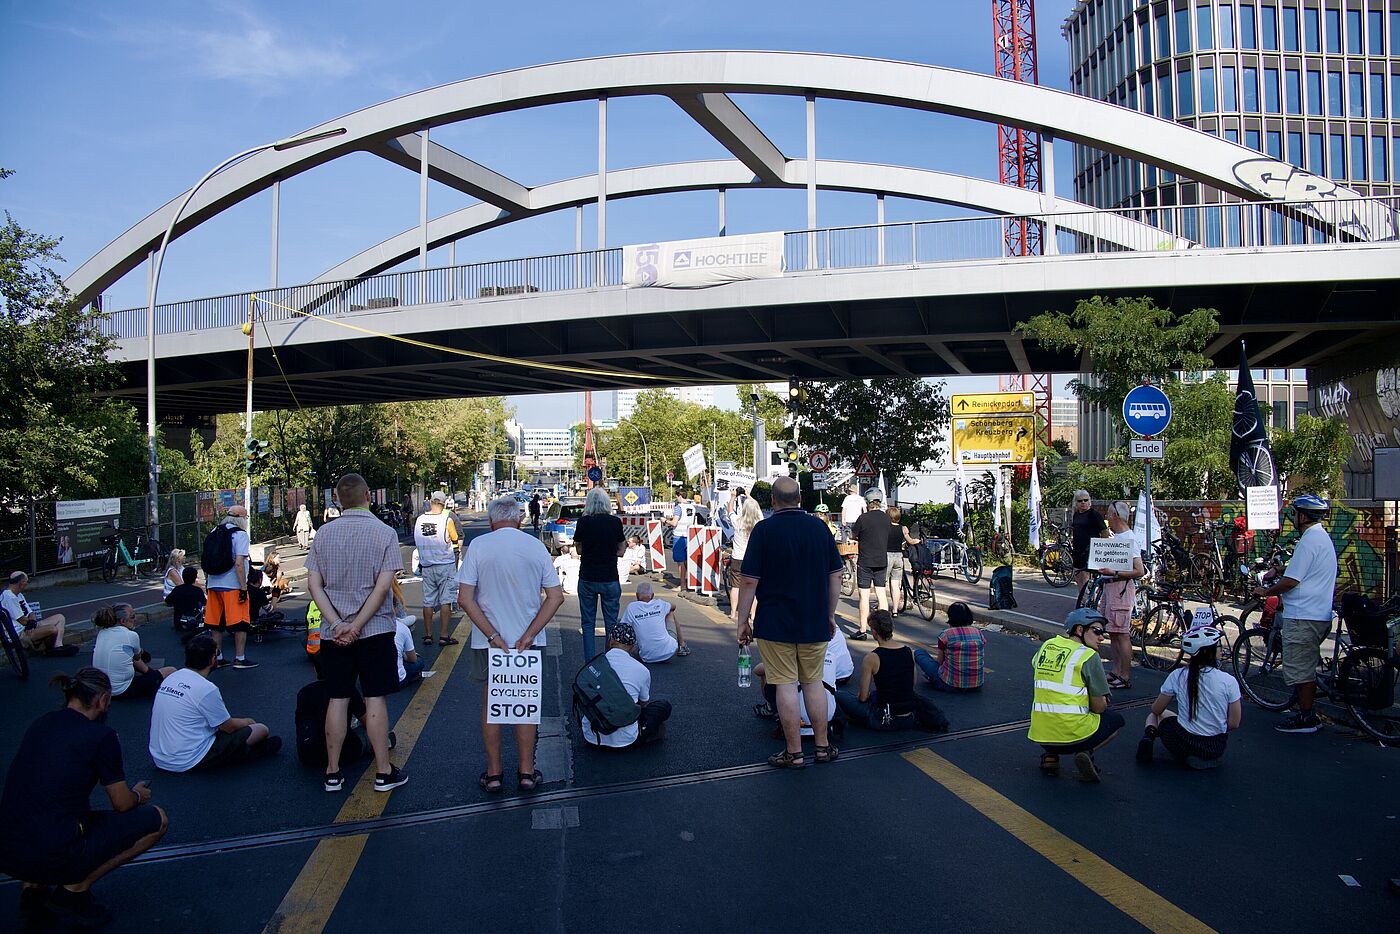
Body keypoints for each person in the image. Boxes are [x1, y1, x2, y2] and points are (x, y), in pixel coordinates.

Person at [0, 668, 167, 928]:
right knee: (157, 820)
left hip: (8, 847)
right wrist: (138, 794)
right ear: (102, 700)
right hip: (53, 846)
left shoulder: (41, 723)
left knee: (39, 805)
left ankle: (31, 891)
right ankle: (74, 891)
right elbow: (121, 803)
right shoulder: (101, 736)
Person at [306, 473, 408, 794]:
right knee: (375, 697)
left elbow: (314, 585)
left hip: (333, 635)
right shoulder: (385, 533)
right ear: (368, 495)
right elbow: (383, 587)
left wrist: (337, 624)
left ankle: (332, 772)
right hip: (375, 630)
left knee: (337, 698)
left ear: (337, 499)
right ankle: (383, 771)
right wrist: (359, 624)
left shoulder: (323, 534)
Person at [458, 495, 565, 793]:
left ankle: (494, 774)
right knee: (524, 703)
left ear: (492, 521)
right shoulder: (534, 546)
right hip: (526, 644)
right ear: (519, 519)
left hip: (488, 643)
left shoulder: (479, 546)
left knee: (492, 703)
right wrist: (530, 634)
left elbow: (465, 598)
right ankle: (526, 772)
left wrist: (493, 635)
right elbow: (555, 597)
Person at [737, 476, 844, 768]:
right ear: (800, 498)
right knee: (813, 682)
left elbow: (748, 581)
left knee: (784, 684)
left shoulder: (764, 530)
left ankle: (794, 752)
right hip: (814, 621)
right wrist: (830, 613)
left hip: (774, 623)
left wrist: (742, 620)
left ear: (773, 500)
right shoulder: (819, 528)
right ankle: (822, 747)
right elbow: (836, 575)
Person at [1252, 493, 1339, 734]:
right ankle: (1304, 711)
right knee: (1304, 665)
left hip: (1303, 615)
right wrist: (1280, 568)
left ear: (1303, 516)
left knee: (1302, 670)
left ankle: (1307, 718)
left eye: (1295, 515)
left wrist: (1266, 591)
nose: (1293, 519)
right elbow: (1302, 570)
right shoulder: (1321, 538)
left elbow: (1291, 582)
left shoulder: (1309, 541)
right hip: (1317, 612)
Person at [148, 634, 280, 772]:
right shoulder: (206, 688)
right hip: (187, 760)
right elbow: (228, 727)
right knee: (261, 730)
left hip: (160, 758)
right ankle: (237, 755)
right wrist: (248, 721)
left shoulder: (172, 678)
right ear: (212, 660)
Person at [1028, 608, 1125, 782]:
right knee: (1115, 720)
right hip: (1074, 737)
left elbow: (1039, 668)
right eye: (1097, 631)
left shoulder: (1047, 645)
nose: (1102, 637)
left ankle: (1050, 756)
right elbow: (1099, 707)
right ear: (1080, 630)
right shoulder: (1088, 656)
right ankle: (1085, 752)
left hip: (1040, 733)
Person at [1136, 626, 1241, 768]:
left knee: (1155, 715)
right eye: (1218, 646)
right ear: (1206, 651)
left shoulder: (1178, 675)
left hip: (1182, 742)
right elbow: (1234, 723)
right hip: (1215, 747)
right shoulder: (1229, 681)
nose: (1222, 649)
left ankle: (1148, 736)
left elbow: (1156, 709)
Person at [835, 610, 950, 732]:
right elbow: (912, 683)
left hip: (884, 717)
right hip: (909, 716)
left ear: (874, 632)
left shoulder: (872, 658)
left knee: (838, 695)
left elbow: (862, 698)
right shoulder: (908, 651)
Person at [579, 621, 673, 750]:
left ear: (610, 640)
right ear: (633, 645)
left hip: (591, 736)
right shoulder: (642, 670)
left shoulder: (595, 665)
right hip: (626, 740)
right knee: (663, 706)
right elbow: (643, 704)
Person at [753, 623, 852, 723]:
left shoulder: (796, 639)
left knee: (781, 678)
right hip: (841, 674)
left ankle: (774, 708)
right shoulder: (828, 627)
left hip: (811, 680)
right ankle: (821, 735)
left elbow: (758, 670)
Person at [1095, 501, 1146, 690]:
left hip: (1120, 588)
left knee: (1122, 633)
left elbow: (1139, 570)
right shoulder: (1118, 537)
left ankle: (1124, 675)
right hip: (1111, 587)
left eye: (1109, 513)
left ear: (1116, 515)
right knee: (1114, 633)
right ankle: (1116, 671)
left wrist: (1115, 573)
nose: (1107, 517)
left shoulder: (1128, 539)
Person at [573, 488, 625, 660]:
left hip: (587, 577)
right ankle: (610, 662)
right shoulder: (615, 522)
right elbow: (622, 550)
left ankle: (590, 664)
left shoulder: (583, 522)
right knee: (611, 623)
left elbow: (579, 548)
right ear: (607, 503)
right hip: (609, 577)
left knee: (588, 624)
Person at [204, 505, 256, 669]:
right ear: (241, 518)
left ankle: (217, 658)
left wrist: (208, 582)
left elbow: (206, 558)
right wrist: (243, 587)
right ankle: (240, 658)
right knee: (240, 623)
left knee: (216, 624)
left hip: (214, 583)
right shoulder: (240, 535)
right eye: (246, 518)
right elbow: (239, 563)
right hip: (232, 585)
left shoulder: (214, 532)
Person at [91, 604, 175, 701]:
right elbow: (137, 657)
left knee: (128, 655)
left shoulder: (102, 633)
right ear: (123, 621)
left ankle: (151, 674)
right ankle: (157, 682)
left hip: (103, 688)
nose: (135, 619)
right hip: (121, 690)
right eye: (133, 616)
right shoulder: (130, 635)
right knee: (171, 670)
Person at [415, 491, 462, 648]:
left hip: (427, 566)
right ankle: (443, 635)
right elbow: (454, 537)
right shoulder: (446, 520)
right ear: (443, 504)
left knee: (428, 601)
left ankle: (427, 635)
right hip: (445, 565)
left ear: (430, 503)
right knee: (446, 600)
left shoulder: (420, 520)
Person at [913, 601, 985, 692]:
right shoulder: (978, 632)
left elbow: (939, 661)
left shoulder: (945, 635)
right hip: (977, 684)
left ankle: (933, 678)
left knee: (919, 653)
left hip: (950, 685)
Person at [850, 488, 892, 639]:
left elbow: (853, 535)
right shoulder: (887, 518)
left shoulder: (863, 518)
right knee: (881, 594)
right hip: (882, 560)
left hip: (866, 561)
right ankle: (885, 629)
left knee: (864, 596)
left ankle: (862, 630)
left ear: (867, 502)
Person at [1, 571, 76, 656]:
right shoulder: (9, 597)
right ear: (21, 583)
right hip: (19, 633)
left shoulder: (19, 594)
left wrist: (32, 623)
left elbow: (31, 613)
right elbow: (22, 620)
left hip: (27, 626)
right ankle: (48, 650)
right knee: (52, 629)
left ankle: (58, 646)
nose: (27, 584)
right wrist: (30, 624)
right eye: (26, 581)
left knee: (60, 618)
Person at [621, 581, 690, 663]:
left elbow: (623, 627)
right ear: (653, 595)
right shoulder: (660, 603)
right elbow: (673, 606)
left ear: (637, 595)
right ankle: (682, 645)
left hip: (646, 656)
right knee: (670, 612)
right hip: (669, 651)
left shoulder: (631, 607)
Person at [728, 496, 763, 621]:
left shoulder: (737, 521)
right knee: (753, 588)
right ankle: (752, 615)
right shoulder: (758, 522)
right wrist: (749, 495)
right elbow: (757, 507)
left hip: (737, 558)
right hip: (753, 559)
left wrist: (733, 496)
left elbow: (730, 510)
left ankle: (733, 613)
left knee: (735, 587)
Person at [885, 505, 921, 613]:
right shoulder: (903, 528)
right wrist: (917, 541)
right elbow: (910, 541)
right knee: (895, 584)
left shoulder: (885, 528)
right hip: (898, 557)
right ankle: (895, 610)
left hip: (886, 556)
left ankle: (881, 607)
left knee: (882, 584)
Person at [1070, 490, 1108, 590]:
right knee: (1078, 577)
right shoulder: (1076, 515)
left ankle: (1089, 601)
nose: (1083, 503)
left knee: (1086, 578)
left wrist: (1102, 547)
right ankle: (1082, 600)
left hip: (1090, 551)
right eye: (1080, 501)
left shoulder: (1094, 515)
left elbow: (1104, 531)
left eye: (1085, 500)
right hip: (1078, 551)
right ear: (1076, 503)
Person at [394, 613, 434, 686]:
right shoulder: (401, 626)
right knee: (418, 661)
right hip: (396, 679)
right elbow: (412, 659)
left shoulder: (368, 625)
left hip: (371, 678)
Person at [164, 565, 206, 631]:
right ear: (194, 578)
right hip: (194, 621)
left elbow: (167, 601)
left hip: (179, 622)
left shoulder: (177, 589)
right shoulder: (197, 590)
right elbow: (205, 602)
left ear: (183, 577)